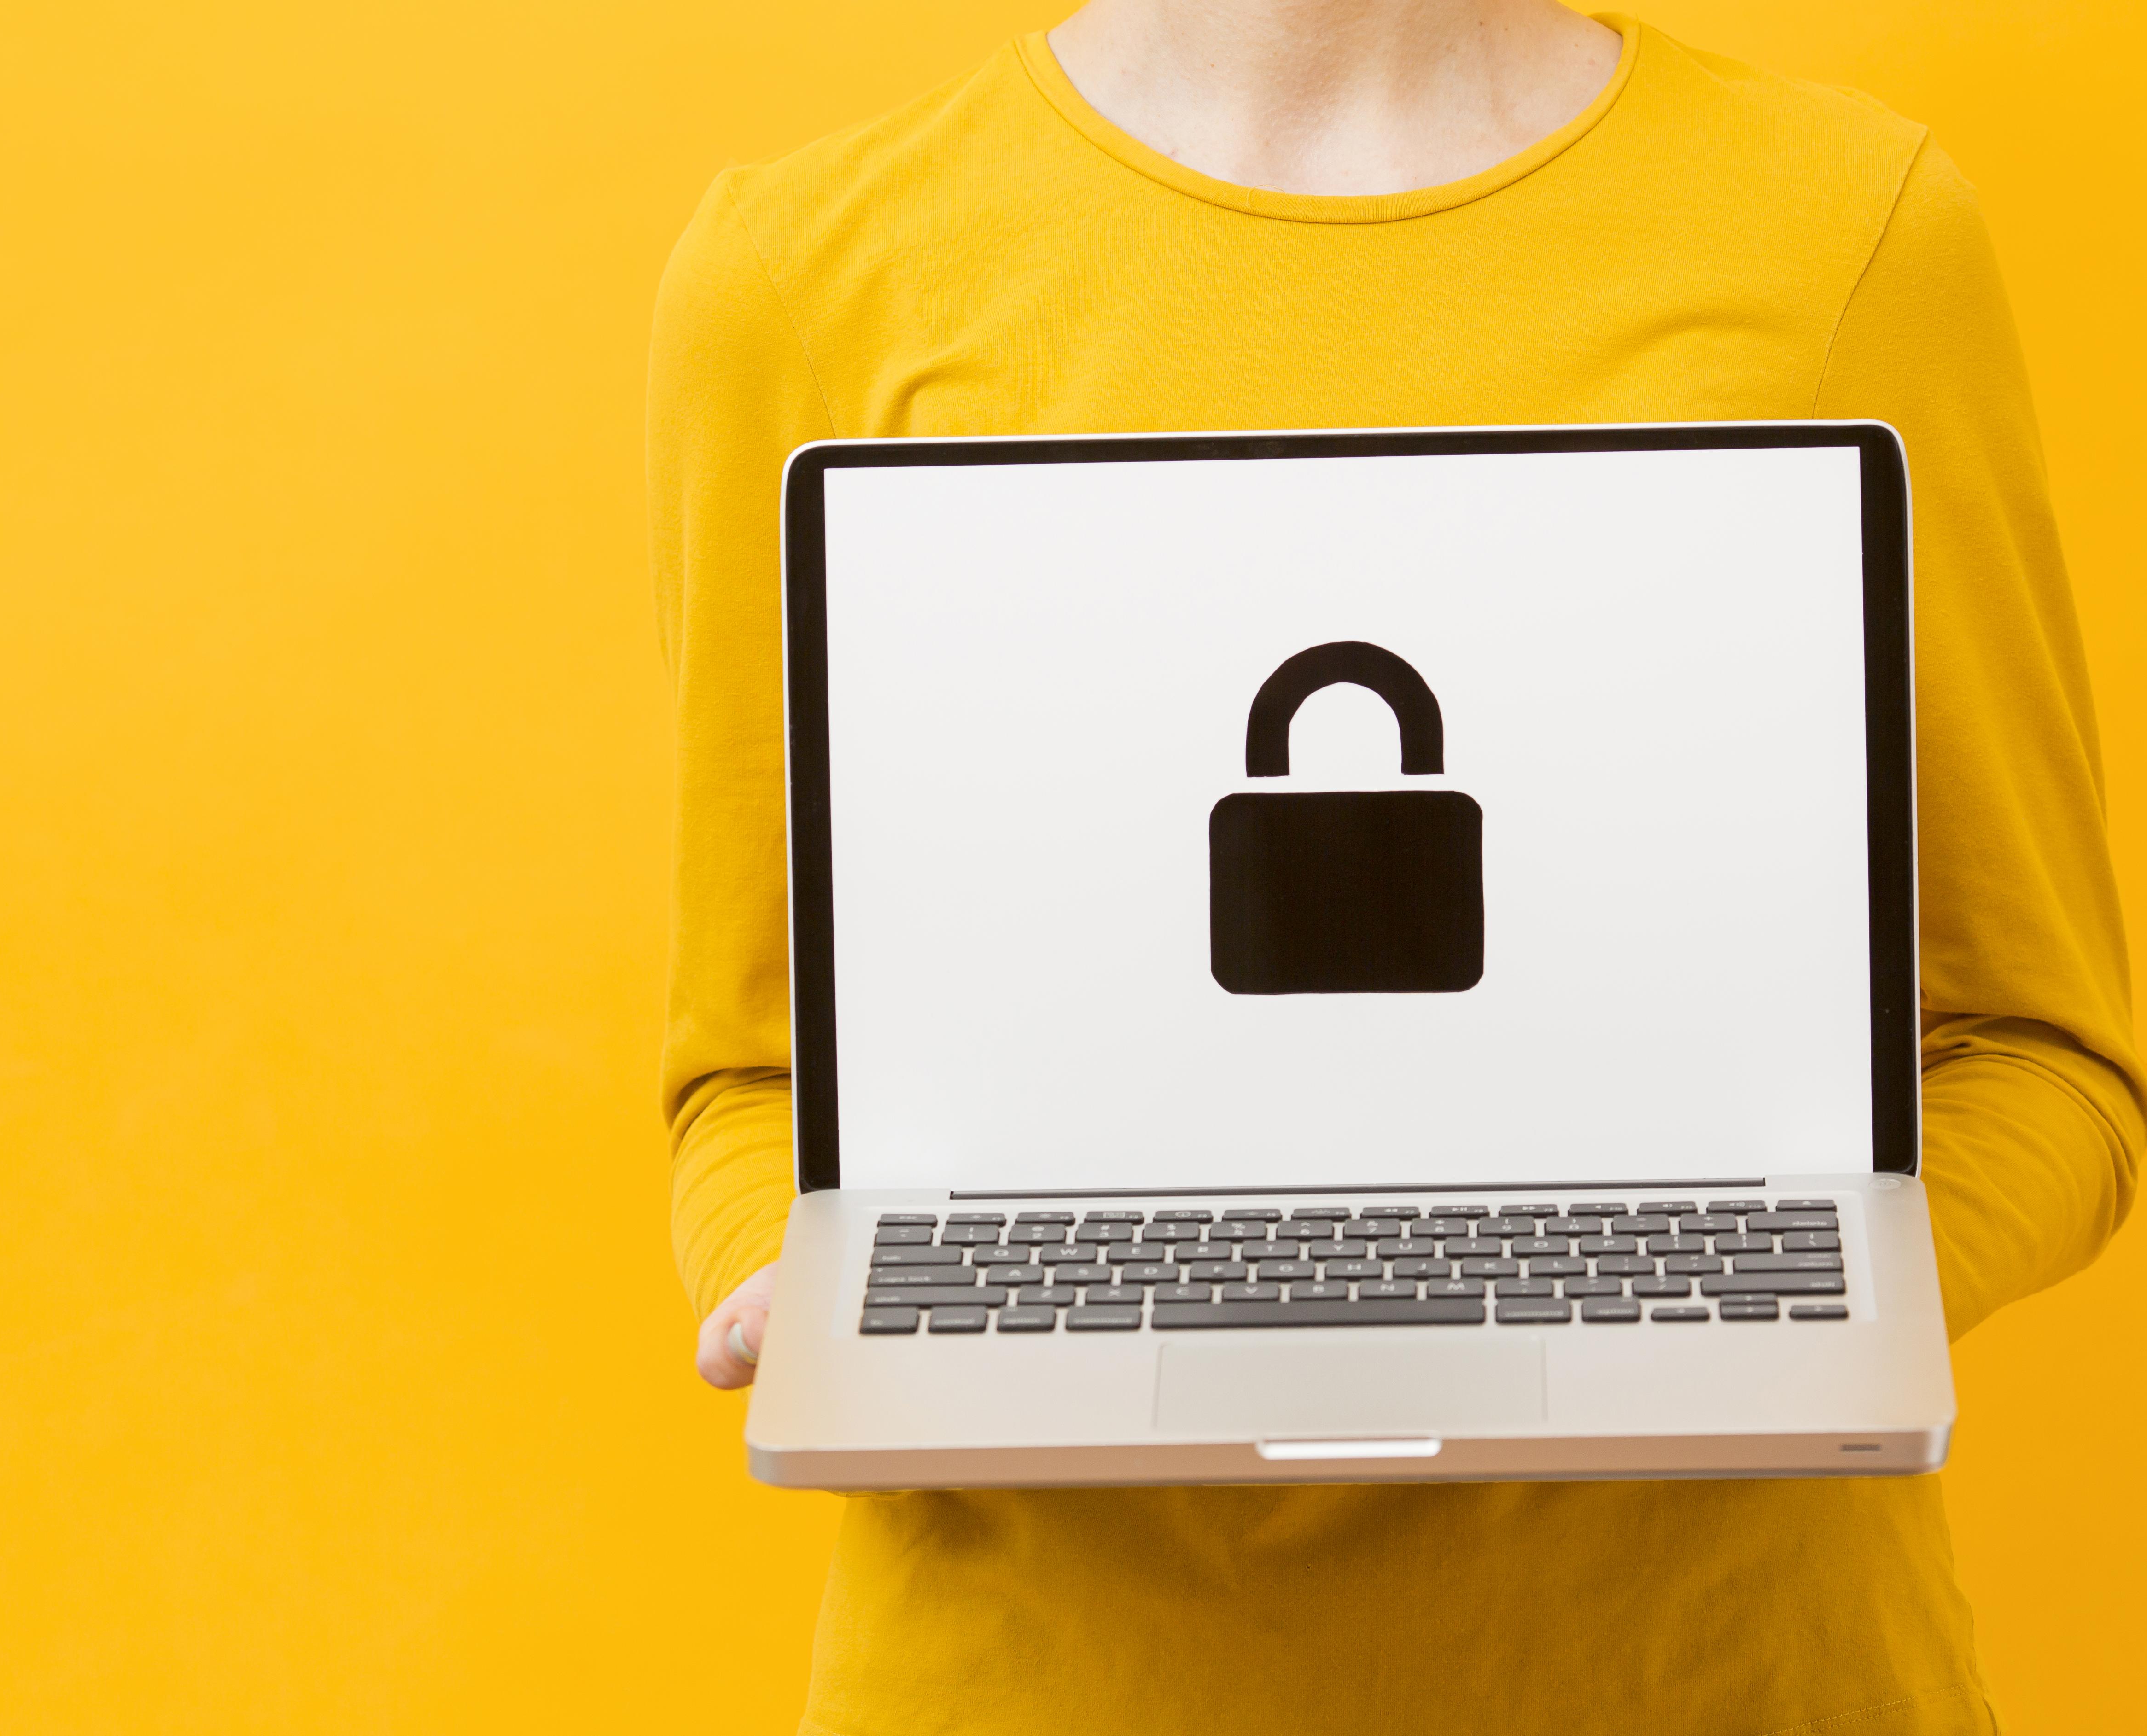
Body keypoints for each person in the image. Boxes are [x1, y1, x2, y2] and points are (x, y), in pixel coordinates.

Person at [647, 0, 2140, 1729]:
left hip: (1727, 1673)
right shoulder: (797, 277)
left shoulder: (1849, 230)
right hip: (1044, 1682)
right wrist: (803, 1273)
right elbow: (752, 1072)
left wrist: (1786, 1299)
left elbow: (2049, 1058)